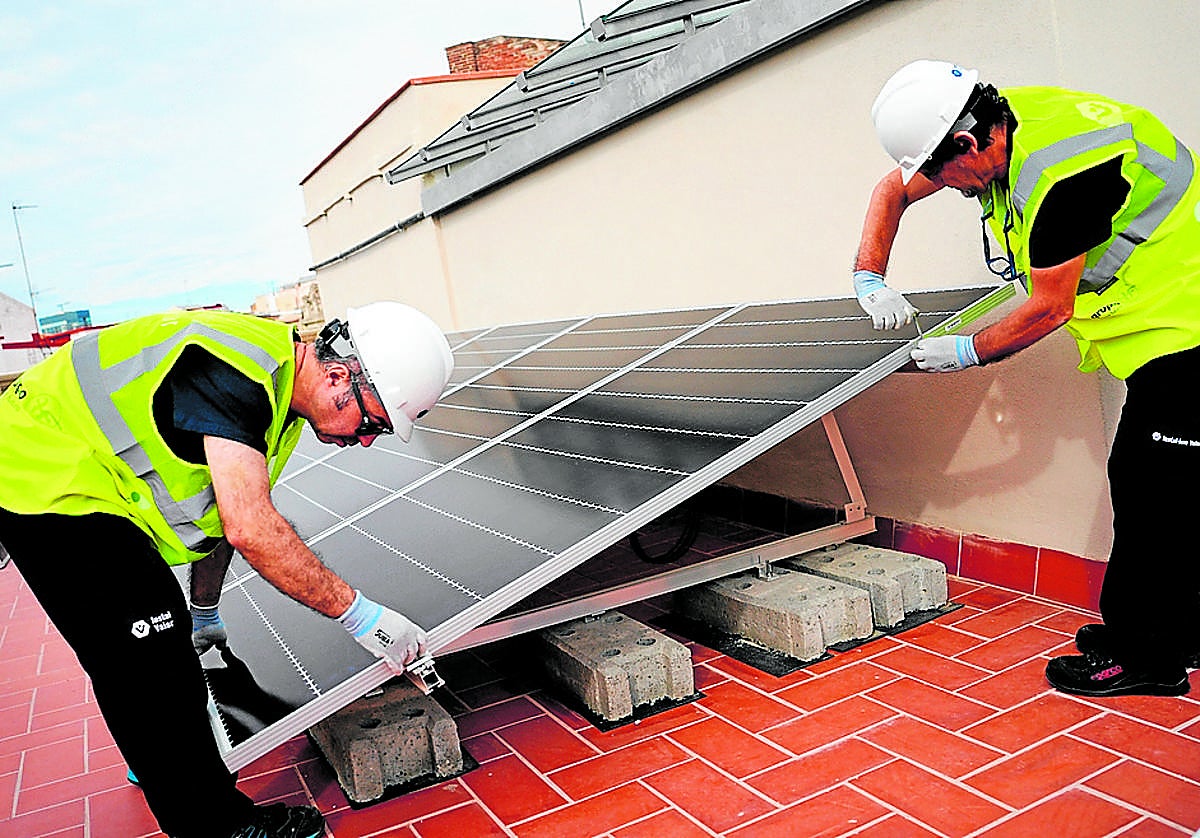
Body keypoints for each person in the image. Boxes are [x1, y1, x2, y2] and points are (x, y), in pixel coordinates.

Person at [0, 301, 454, 838]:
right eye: (372, 421)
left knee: (152, 642)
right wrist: (363, 618)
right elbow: (251, 527)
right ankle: (215, 826)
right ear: (337, 377)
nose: (368, 439)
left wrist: (204, 611)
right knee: (147, 652)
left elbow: (220, 516)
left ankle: (161, 762)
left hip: (64, 467)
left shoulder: (278, 395)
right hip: (41, 469)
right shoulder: (235, 373)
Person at [853, 59, 1200, 698]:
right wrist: (869, 277)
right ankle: (1175, 628)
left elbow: (1049, 308)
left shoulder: (1067, 178)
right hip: (1165, 326)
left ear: (967, 143)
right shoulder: (994, 120)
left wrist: (964, 352)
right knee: (1174, 488)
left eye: (946, 175)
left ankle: (1147, 658)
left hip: (1192, 327)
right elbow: (890, 191)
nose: (948, 189)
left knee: (1150, 488)